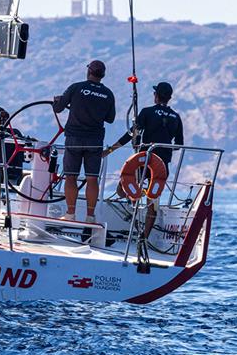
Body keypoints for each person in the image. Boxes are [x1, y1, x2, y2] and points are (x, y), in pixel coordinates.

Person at [103, 81, 184, 239]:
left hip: (143, 161)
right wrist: (164, 146)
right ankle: (144, 237)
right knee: (152, 202)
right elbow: (178, 145)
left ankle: (134, 196)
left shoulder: (147, 112)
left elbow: (130, 134)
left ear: (156, 96)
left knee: (121, 190)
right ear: (169, 98)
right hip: (161, 165)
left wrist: (110, 150)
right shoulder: (176, 117)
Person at [53, 60, 116, 223]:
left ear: (89, 72)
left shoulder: (76, 88)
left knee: (71, 177)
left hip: (74, 138)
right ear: (103, 75)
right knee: (92, 178)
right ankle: (90, 216)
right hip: (94, 141)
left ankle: (70, 214)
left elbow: (58, 108)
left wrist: (57, 100)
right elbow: (110, 119)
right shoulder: (108, 94)